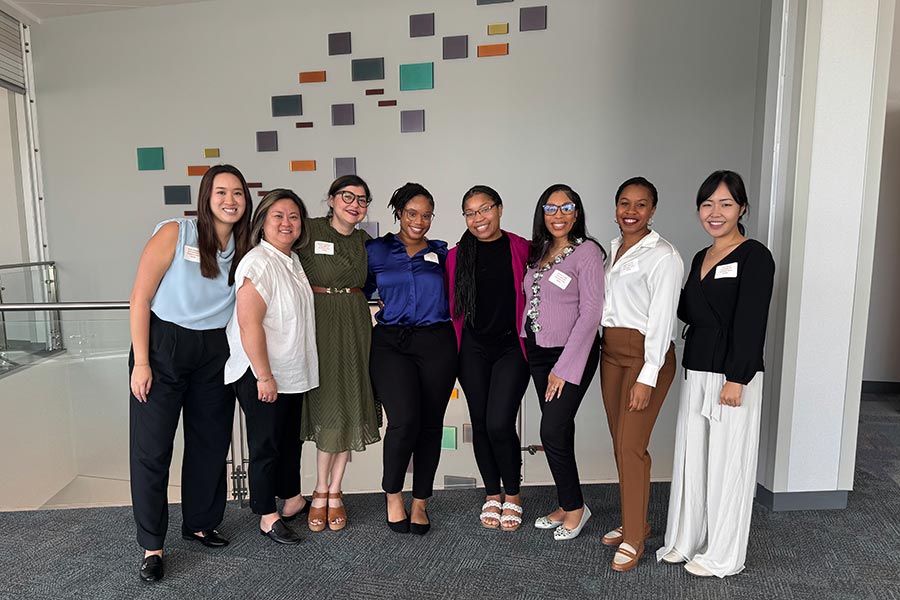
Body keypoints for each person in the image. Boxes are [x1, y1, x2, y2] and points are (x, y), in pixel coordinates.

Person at [128, 164, 252, 582]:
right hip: (164, 346)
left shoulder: (246, 242)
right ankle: (152, 545)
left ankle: (199, 522)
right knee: (153, 448)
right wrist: (142, 362)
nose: (230, 200)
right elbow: (140, 298)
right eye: (221, 192)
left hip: (214, 350)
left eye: (238, 193)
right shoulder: (175, 232)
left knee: (210, 442)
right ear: (206, 196)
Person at [657, 170, 775, 577]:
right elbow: (689, 311)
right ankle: (686, 539)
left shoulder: (755, 256)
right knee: (693, 459)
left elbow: (751, 321)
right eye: (707, 204)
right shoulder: (698, 257)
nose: (715, 212)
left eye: (725, 203)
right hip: (697, 368)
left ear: (742, 208)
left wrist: (737, 378)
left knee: (728, 463)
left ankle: (723, 553)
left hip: (732, 376)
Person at [224, 189, 318, 545]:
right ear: (262, 221)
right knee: (265, 446)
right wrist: (264, 375)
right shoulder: (258, 262)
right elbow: (249, 324)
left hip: (290, 372)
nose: (286, 222)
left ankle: (291, 499)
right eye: (278, 215)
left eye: (293, 216)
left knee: (289, 441)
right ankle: (267, 514)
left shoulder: (291, 260)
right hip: (262, 373)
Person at [598, 177, 683, 571]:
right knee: (621, 444)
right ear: (615, 207)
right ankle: (639, 521)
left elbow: (663, 319)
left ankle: (634, 539)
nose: (631, 211)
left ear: (653, 210)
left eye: (641, 204)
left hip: (645, 356)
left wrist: (648, 376)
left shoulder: (663, 255)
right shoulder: (613, 248)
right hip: (611, 354)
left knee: (632, 447)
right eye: (624, 203)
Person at [367, 182, 458, 535]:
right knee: (404, 422)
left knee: (431, 425)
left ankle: (420, 501)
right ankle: (393, 494)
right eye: (411, 213)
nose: (419, 221)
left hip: (437, 341)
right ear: (399, 213)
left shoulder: (444, 255)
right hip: (391, 343)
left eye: (426, 215)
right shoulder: (376, 250)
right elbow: (354, 290)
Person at [297, 175, 381, 532]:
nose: (355, 204)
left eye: (363, 200)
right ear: (331, 199)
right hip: (318, 321)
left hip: (356, 321)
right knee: (327, 401)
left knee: (351, 401)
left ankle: (334, 492)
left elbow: (379, 279)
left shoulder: (366, 242)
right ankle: (318, 489)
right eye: (348, 196)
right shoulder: (308, 231)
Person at [523, 184, 605, 541]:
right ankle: (564, 502)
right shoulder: (539, 251)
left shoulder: (587, 252)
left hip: (571, 354)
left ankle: (576, 508)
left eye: (566, 207)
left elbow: (591, 313)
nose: (558, 214)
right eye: (551, 208)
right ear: (542, 213)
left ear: (577, 212)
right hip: (539, 352)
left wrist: (564, 368)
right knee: (561, 429)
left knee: (551, 430)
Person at [447, 185, 530, 531]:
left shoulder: (523, 248)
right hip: (473, 349)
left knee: (499, 422)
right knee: (480, 423)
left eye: (484, 209)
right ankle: (492, 494)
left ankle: (513, 494)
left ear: (499, 208)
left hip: (512, 347)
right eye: (470, 212)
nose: (478, 218)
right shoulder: (455, 256)